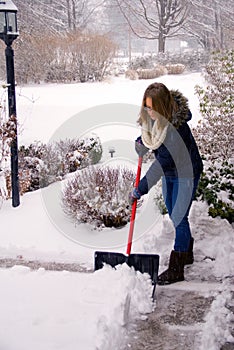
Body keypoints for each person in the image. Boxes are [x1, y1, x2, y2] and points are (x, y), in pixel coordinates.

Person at [130, 82, 203, 285]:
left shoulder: (176, 130)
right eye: (146, 106)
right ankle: (186, 251)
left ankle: (177, 267)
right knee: (173, 213)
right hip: (171, 172)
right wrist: (140, 142)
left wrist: (140, 189)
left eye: (152, 108)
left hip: (186, 173)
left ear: (163, 107)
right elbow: (150, 135)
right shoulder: (154, 119)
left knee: (179, 218)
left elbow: (161, 163)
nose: (148, 111)